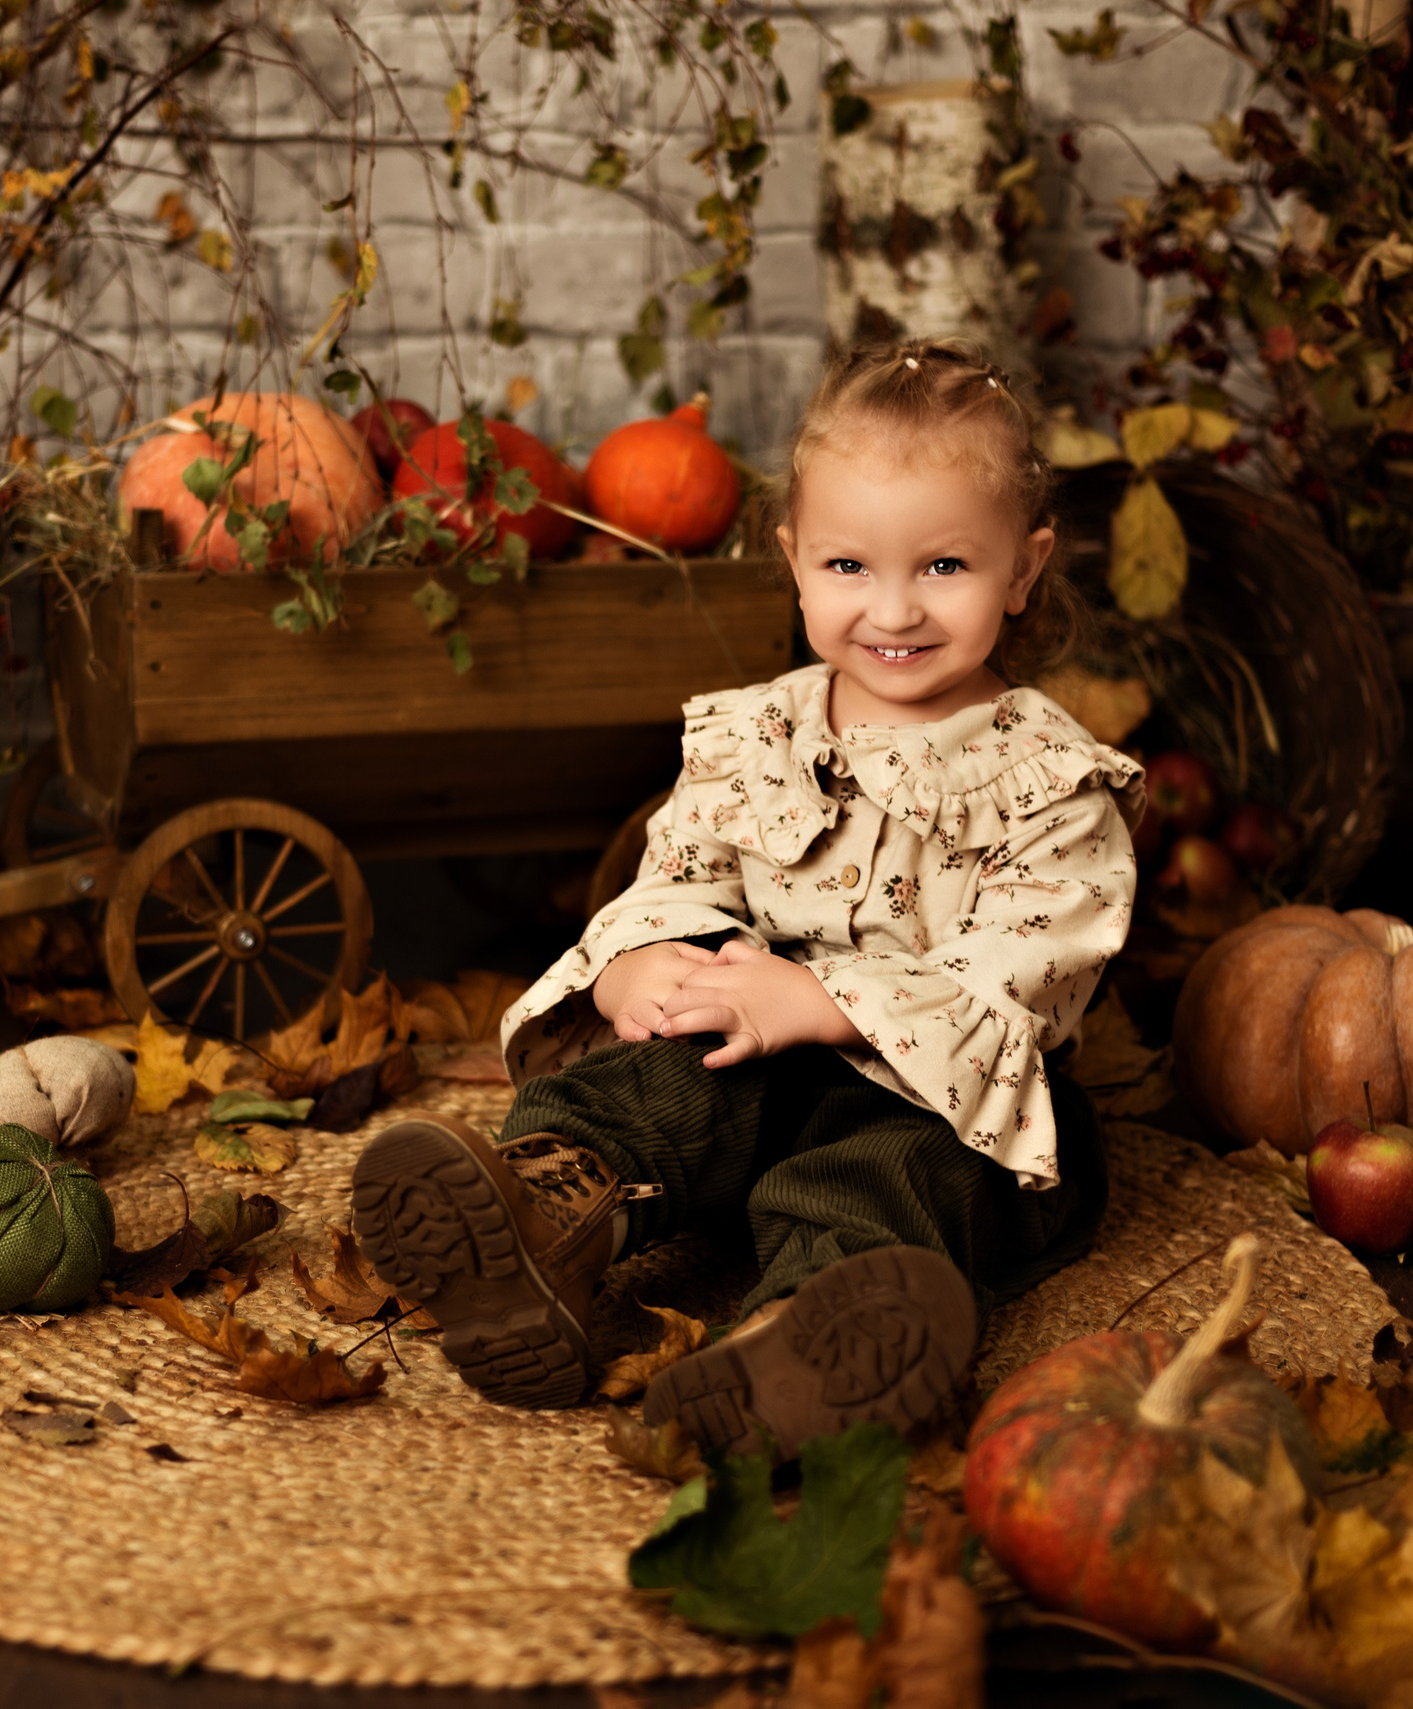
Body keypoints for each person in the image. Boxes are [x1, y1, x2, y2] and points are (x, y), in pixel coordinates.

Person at [349, 340, 1142, 1457]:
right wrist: (643, 957)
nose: (894, 609)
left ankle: (805, 1339)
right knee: (657, 1077)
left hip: (942, 1101)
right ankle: (549, 1219)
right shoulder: (758, 732)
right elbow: (683, 867)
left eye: (944, 566)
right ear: (794, 561)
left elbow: (1025, 972)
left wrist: (824, 1000)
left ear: (1023, 567)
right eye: (849, 565)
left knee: (886, 1174)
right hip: (754, 1060)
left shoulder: (1050, 782)